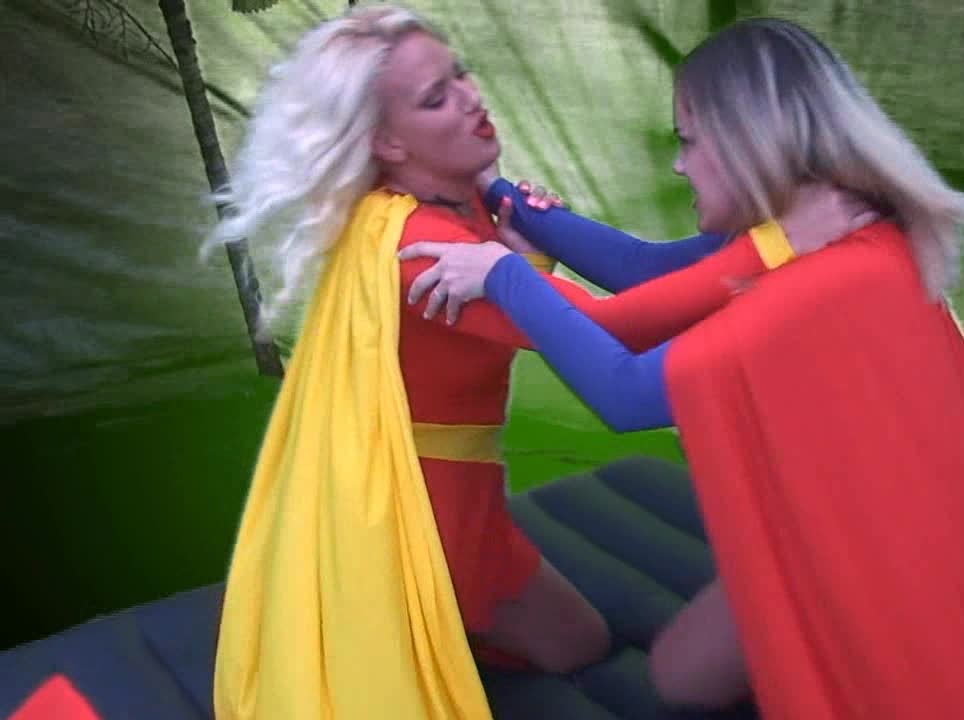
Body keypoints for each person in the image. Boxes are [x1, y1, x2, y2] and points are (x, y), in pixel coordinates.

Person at [398, 17, 964, 720]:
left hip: (889, 567)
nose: (680, 166)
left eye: (689, 141)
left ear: (748, 141)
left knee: (716, 679)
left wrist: (502, 275)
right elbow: (644, 269)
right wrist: (501, 196)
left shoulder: (820, 284)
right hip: (846, 522)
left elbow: (624, 390)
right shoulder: (819, 223)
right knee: (677, 678)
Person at [200, 6, 861, 718]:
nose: (470, 97)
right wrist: (779, 246)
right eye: (437, 97)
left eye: (460, 74)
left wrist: (519, 221)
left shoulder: (469, 202)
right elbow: (613, 333)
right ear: (386, 141)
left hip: (465, 493)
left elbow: (641, 270)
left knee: (578, 642)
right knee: (569, 643)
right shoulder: (423, 250)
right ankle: (420, 615)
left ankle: (445, 623)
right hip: (421, 514)